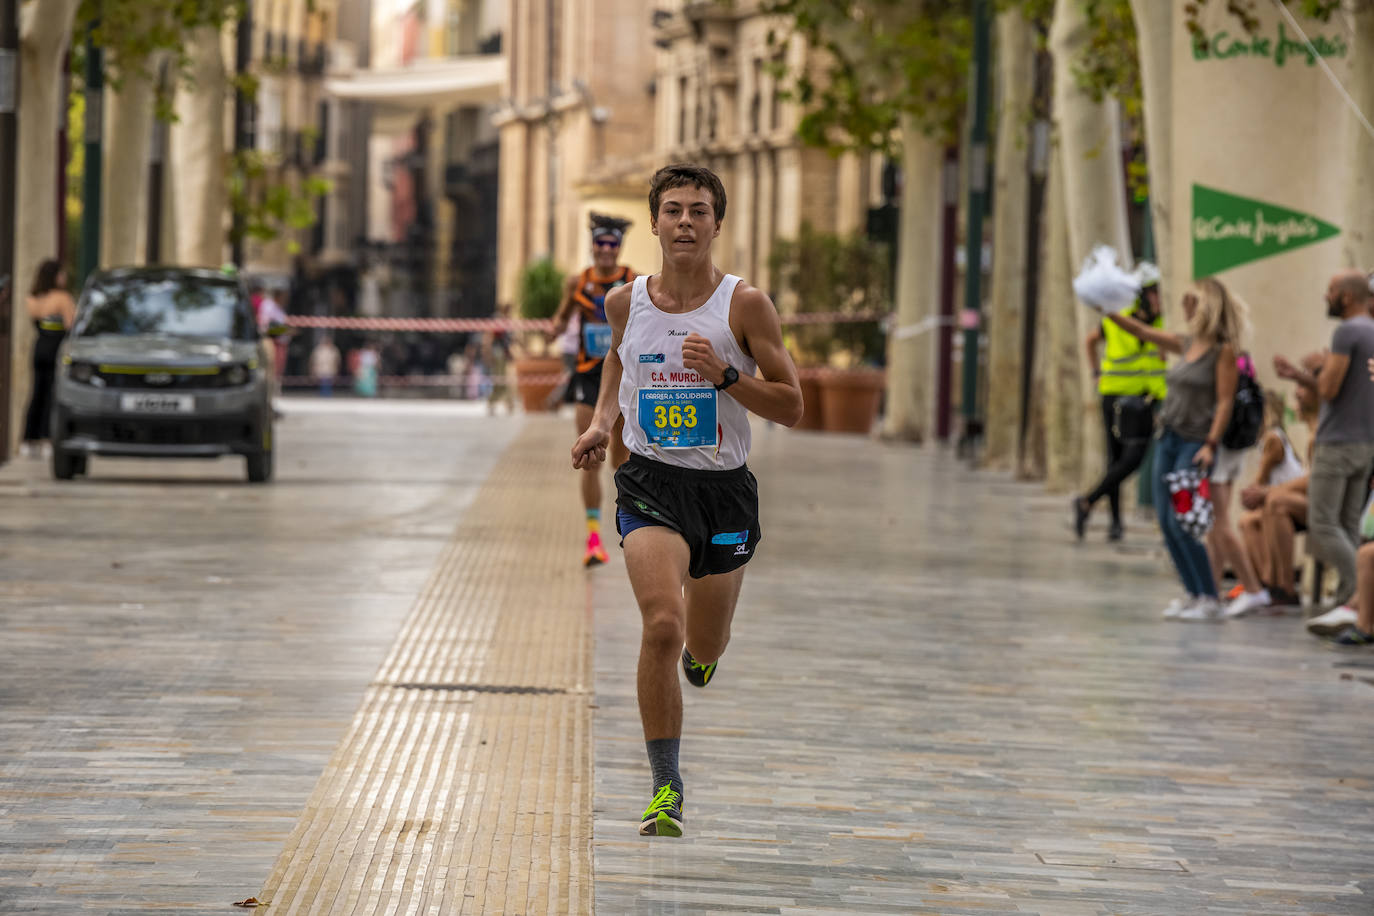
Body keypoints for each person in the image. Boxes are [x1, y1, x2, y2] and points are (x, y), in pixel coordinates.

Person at [570, 164, 803, 837]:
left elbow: (791, 405)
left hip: (724, 493)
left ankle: (708, 653)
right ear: (654, 222)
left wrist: (726, 375)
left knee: (704, 638)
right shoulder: (625, 301)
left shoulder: (745, 306)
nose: (684, 222)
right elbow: (618, 357)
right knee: (663, 627)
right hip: (651, 482)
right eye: (672, 210)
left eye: (699, 211)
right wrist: (601, 422)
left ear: (716, 225)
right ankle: (665, 785)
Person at [1095, 277, 1247, 621]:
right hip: (1168, 437)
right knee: (1165, 521)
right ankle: (1193, 594)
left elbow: (1224, 403)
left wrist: (1210, 445)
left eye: (1191, 301)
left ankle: (1210, 596)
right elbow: (1143, 332)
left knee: (1184, 523)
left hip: (1194, 444)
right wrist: (1107, 310)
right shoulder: (1187, 342)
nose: (1184, 307)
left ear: (1206, 306)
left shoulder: (1223, 351)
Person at [1273, 270, 1374, 616]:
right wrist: (1299, 376)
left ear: (1347, 297)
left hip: (1338, 442)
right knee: (1347, 526)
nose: (1326, 296)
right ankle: (1352, 603)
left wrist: (1320, 368)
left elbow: (1330, 389)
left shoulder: (1347, 332)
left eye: (1331, 290)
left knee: (1323, 523)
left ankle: (1360, 594)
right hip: (1365, 443)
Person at [553, 212, 637, 566]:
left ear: (618, 249)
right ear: (592, 247)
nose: (605, 251)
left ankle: (632, 530)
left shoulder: (633, 281)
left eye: (611, 245)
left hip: (622, 377)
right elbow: (561, 319)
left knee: (621, 461)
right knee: (588, 459)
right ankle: (592, 539)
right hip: (588, 377)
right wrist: (556, 328)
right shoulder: (578, 282)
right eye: (599, 245)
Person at [1075, 265, 1167, 541]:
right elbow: (1090, 341)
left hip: (1145, 398)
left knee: (1133, 459)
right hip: (1114, 394)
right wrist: (1094, 372)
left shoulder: (1163, 321)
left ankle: (1087, 501)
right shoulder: (1119, 319)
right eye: (1154, 293)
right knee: (1114, 457)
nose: (1158, 298)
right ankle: (1115, 523)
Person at [1227, 385, 1311, 616]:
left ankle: (1276, 582)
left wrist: (1251, 493)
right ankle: (1264, 581)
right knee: (1248, 520)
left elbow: (1260, 480)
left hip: (1292, 499)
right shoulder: (1273, 438)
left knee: (1253, 516)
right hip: (1282, 496)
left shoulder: (1273, 439)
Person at [21, 260, 77, 457]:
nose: (65, 277)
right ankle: (46, 438)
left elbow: (35, 321)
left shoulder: (33, 298)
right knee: (52, 394)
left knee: (36, 392)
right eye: (62, 274)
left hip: (39, 347)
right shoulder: (62, 297)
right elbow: (71, 324)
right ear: (55, 275)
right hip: (57, 348)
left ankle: (28, 439)